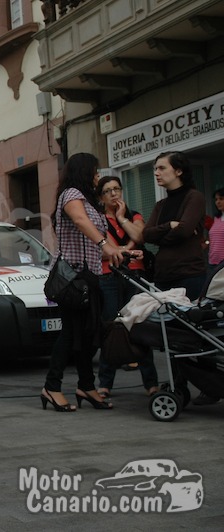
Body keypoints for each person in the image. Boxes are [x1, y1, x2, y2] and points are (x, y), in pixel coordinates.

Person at [41, 153, 124, 412]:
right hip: (72, 277)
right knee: (70, 333)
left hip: (90, 275)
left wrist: (121, 251)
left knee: (89, 334)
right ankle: (51, 387)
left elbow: (95, 238)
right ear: (84, 171)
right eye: (95, 171)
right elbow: (80, 221)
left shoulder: (89, 199)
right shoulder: (71, 194)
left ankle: (86, 386)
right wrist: (104, 245)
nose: (98, 175)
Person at [94, 176, 159, 399]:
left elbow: (140, 236)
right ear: (101, 197)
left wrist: (122, 219)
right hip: (108, 276)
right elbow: (101, 250)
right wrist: (128, 250)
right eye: (108, 191)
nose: (114, 194)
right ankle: (105, 383)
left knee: (140, 326)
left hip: (135, 274)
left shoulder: (133, 215)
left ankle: (151, 382)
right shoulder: (98, 219)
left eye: (117, 189)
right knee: (112, 327)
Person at [143, 151, 207, 300]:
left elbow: (183, 230)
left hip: (189, 274)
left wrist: (160, 239)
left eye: (162, 168)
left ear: (178, 171)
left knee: (188, 322)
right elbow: (146, 234)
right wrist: (169, 226)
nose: (156, 173)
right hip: (162, 275)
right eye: (155, 169)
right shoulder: (161, 204)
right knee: (164, 322)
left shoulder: (194, 197)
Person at [206, 187, 224, 277]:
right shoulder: (216, 219)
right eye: (216, 199)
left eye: (221, 199)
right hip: (213, 262)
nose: (218, 202)